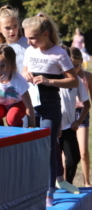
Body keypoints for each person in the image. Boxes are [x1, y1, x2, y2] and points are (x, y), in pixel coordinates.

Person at [21, 12, 79, 207]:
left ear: (45, 34)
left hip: (50, 107)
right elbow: (23, 69)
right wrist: (26, 72)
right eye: (26, 37)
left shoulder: (59, 53)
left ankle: (49, 193)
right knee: (30, 149)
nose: (28, 42)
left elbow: (73, 81)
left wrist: (49, 81)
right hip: (30, 106)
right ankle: (30, 189)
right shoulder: (30, 51)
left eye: (32, 38)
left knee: (48, 149)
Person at [56, 46, 91, 193]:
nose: (72, 68)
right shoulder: (56, 77)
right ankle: (59, 184)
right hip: (57, 123)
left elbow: (87, 103)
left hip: (74, 120)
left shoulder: (80, 79)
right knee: (59, 157)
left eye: (75, 65)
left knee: (78, 154)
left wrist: (78, 121)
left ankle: (80, 182)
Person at [0, 5, 28, 74]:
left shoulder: (28, 42)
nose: (12, 31)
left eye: (15, 26)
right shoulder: (1, 49)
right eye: (7, 28)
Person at [74, 46, 92, 187]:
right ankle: (63, 181)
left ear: (81, 62)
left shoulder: (88, 76)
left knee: (83, 151)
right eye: (71, 66)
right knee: (65, 151)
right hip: (66, 113)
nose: (74, 69)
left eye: (77, 65)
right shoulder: (63, 76)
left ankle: (87, 182)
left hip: (82, 112)